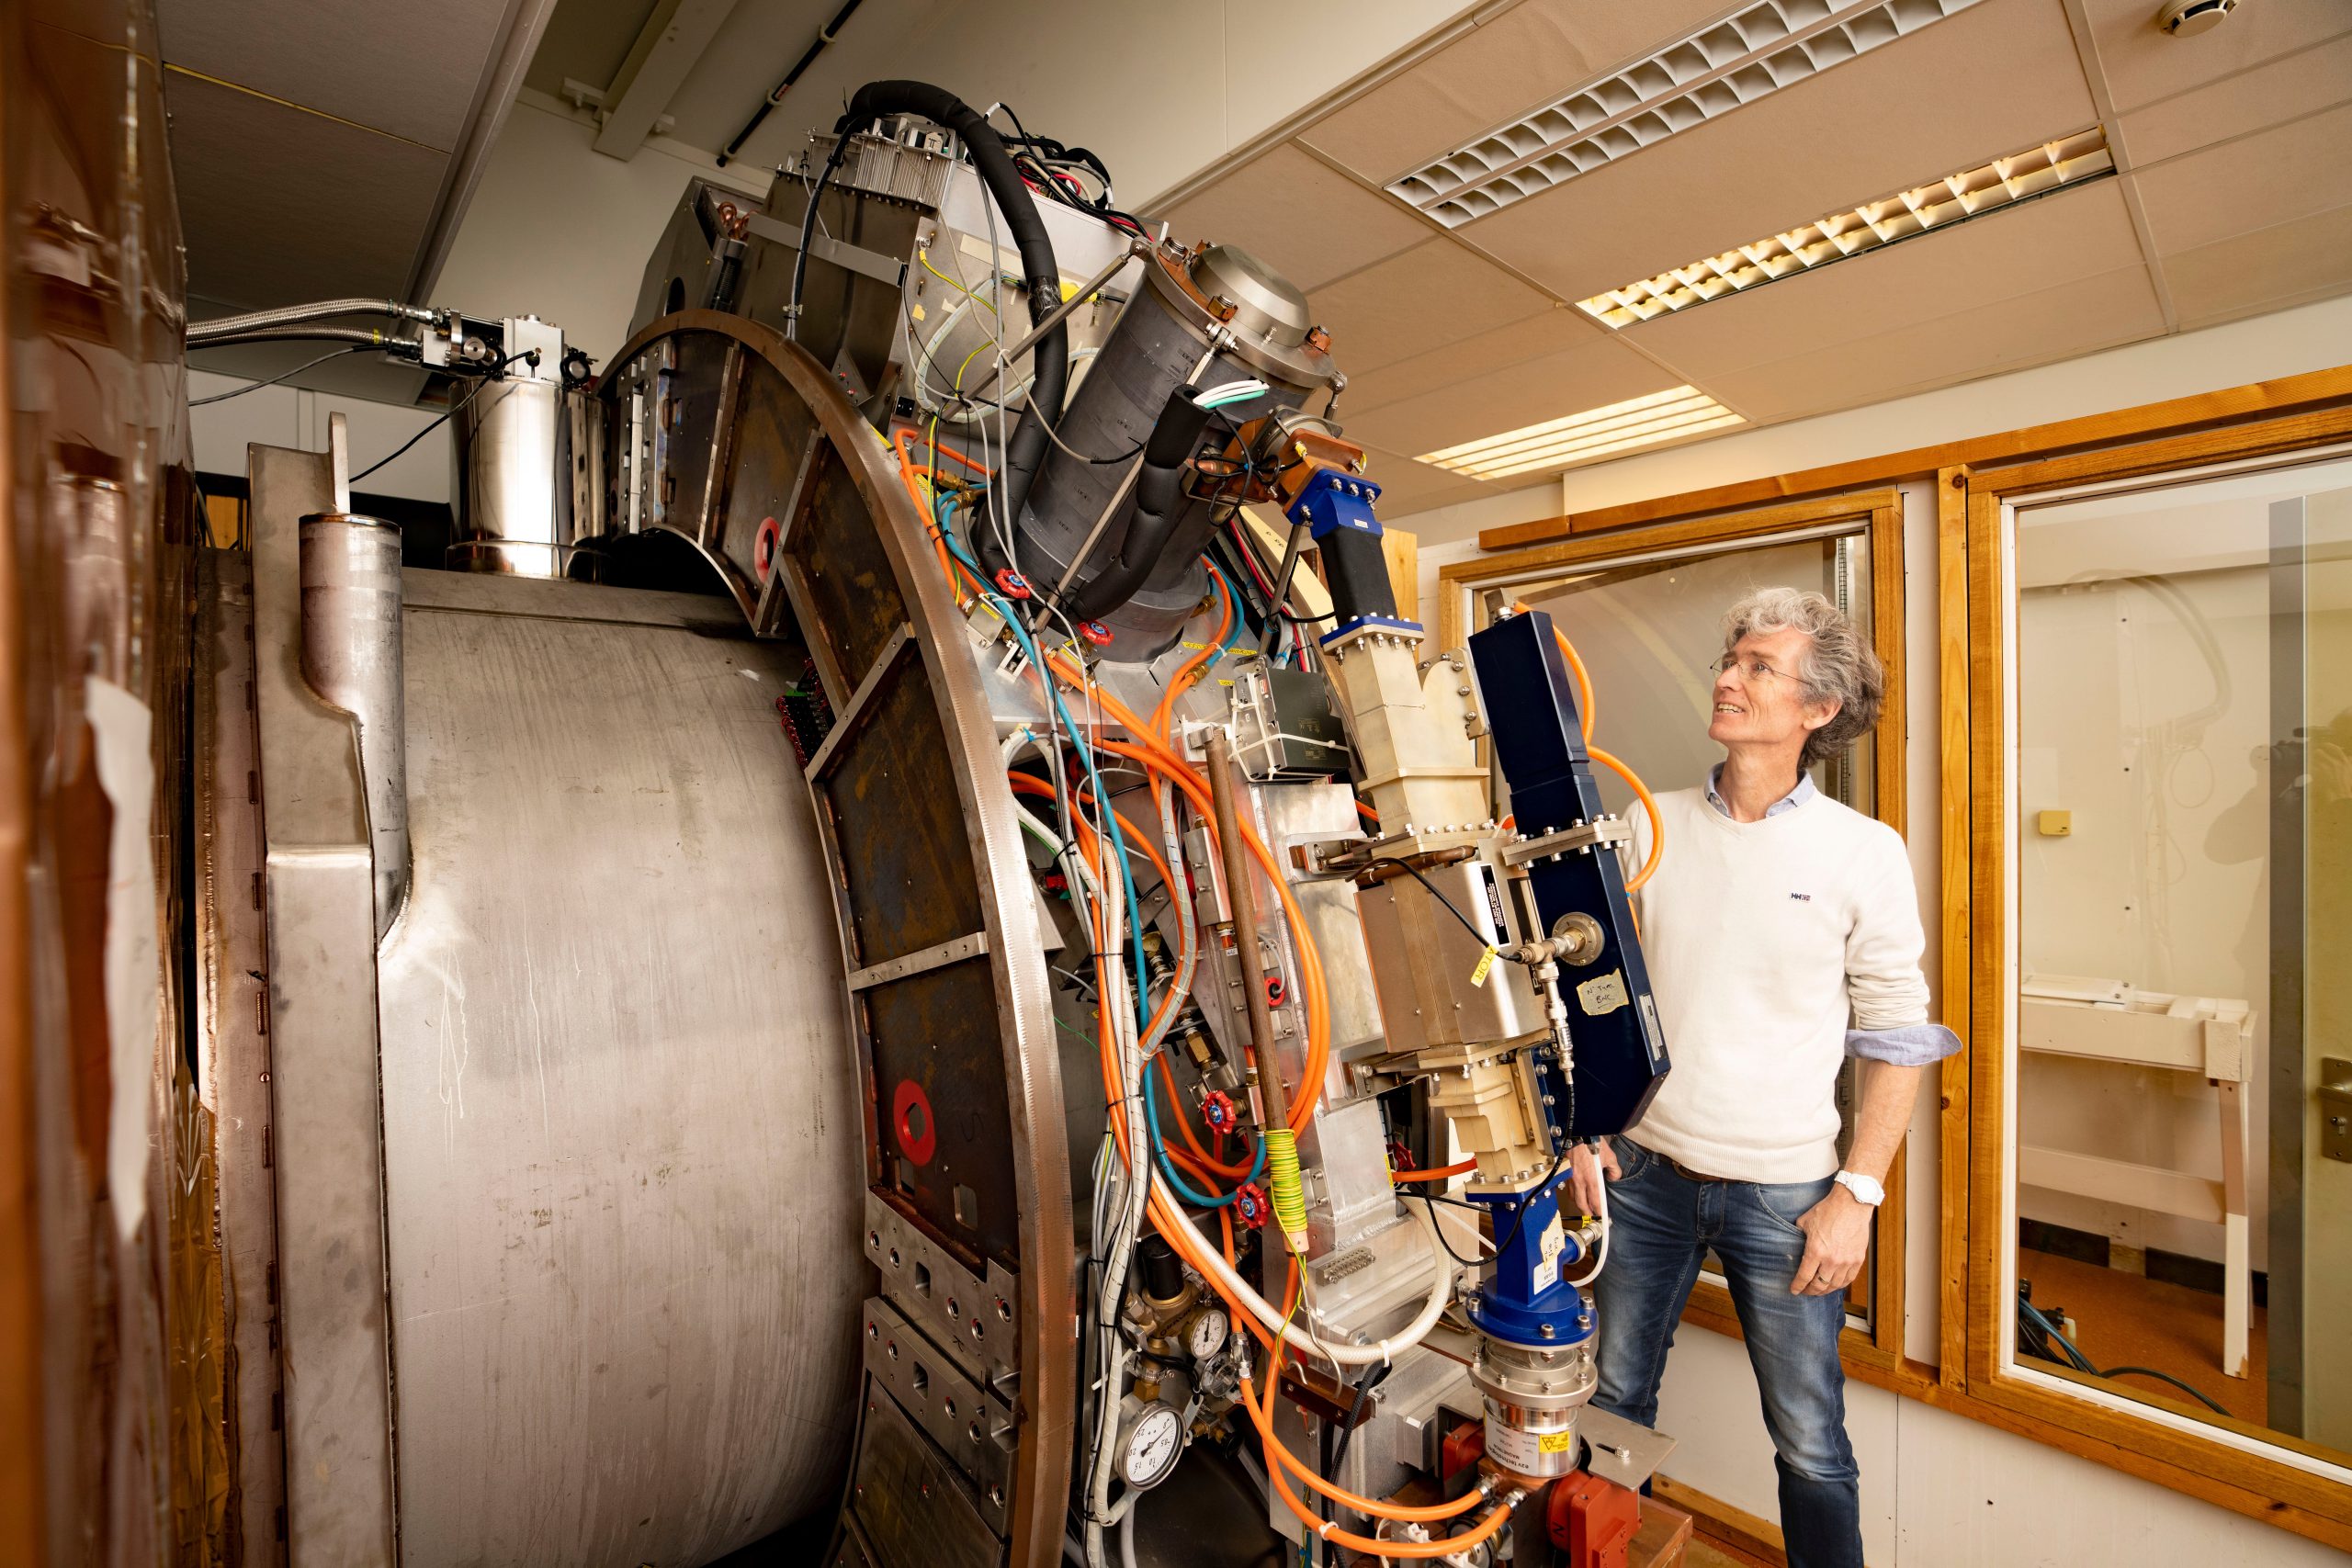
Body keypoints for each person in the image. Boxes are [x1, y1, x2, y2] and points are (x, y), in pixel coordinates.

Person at [1567, 586, 1957, 1568]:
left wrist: (1855, 1195)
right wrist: (1584, 1131)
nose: (1729, 679)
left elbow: (1895, 1037)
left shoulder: (1861, 852)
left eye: (1758, 668)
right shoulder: (1645, 822)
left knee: (1810, 1442)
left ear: (1816, 711)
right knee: (1613, 1409)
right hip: (1643, 1177)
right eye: (1729, 660)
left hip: (1786, 1194)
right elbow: (1591, 994)